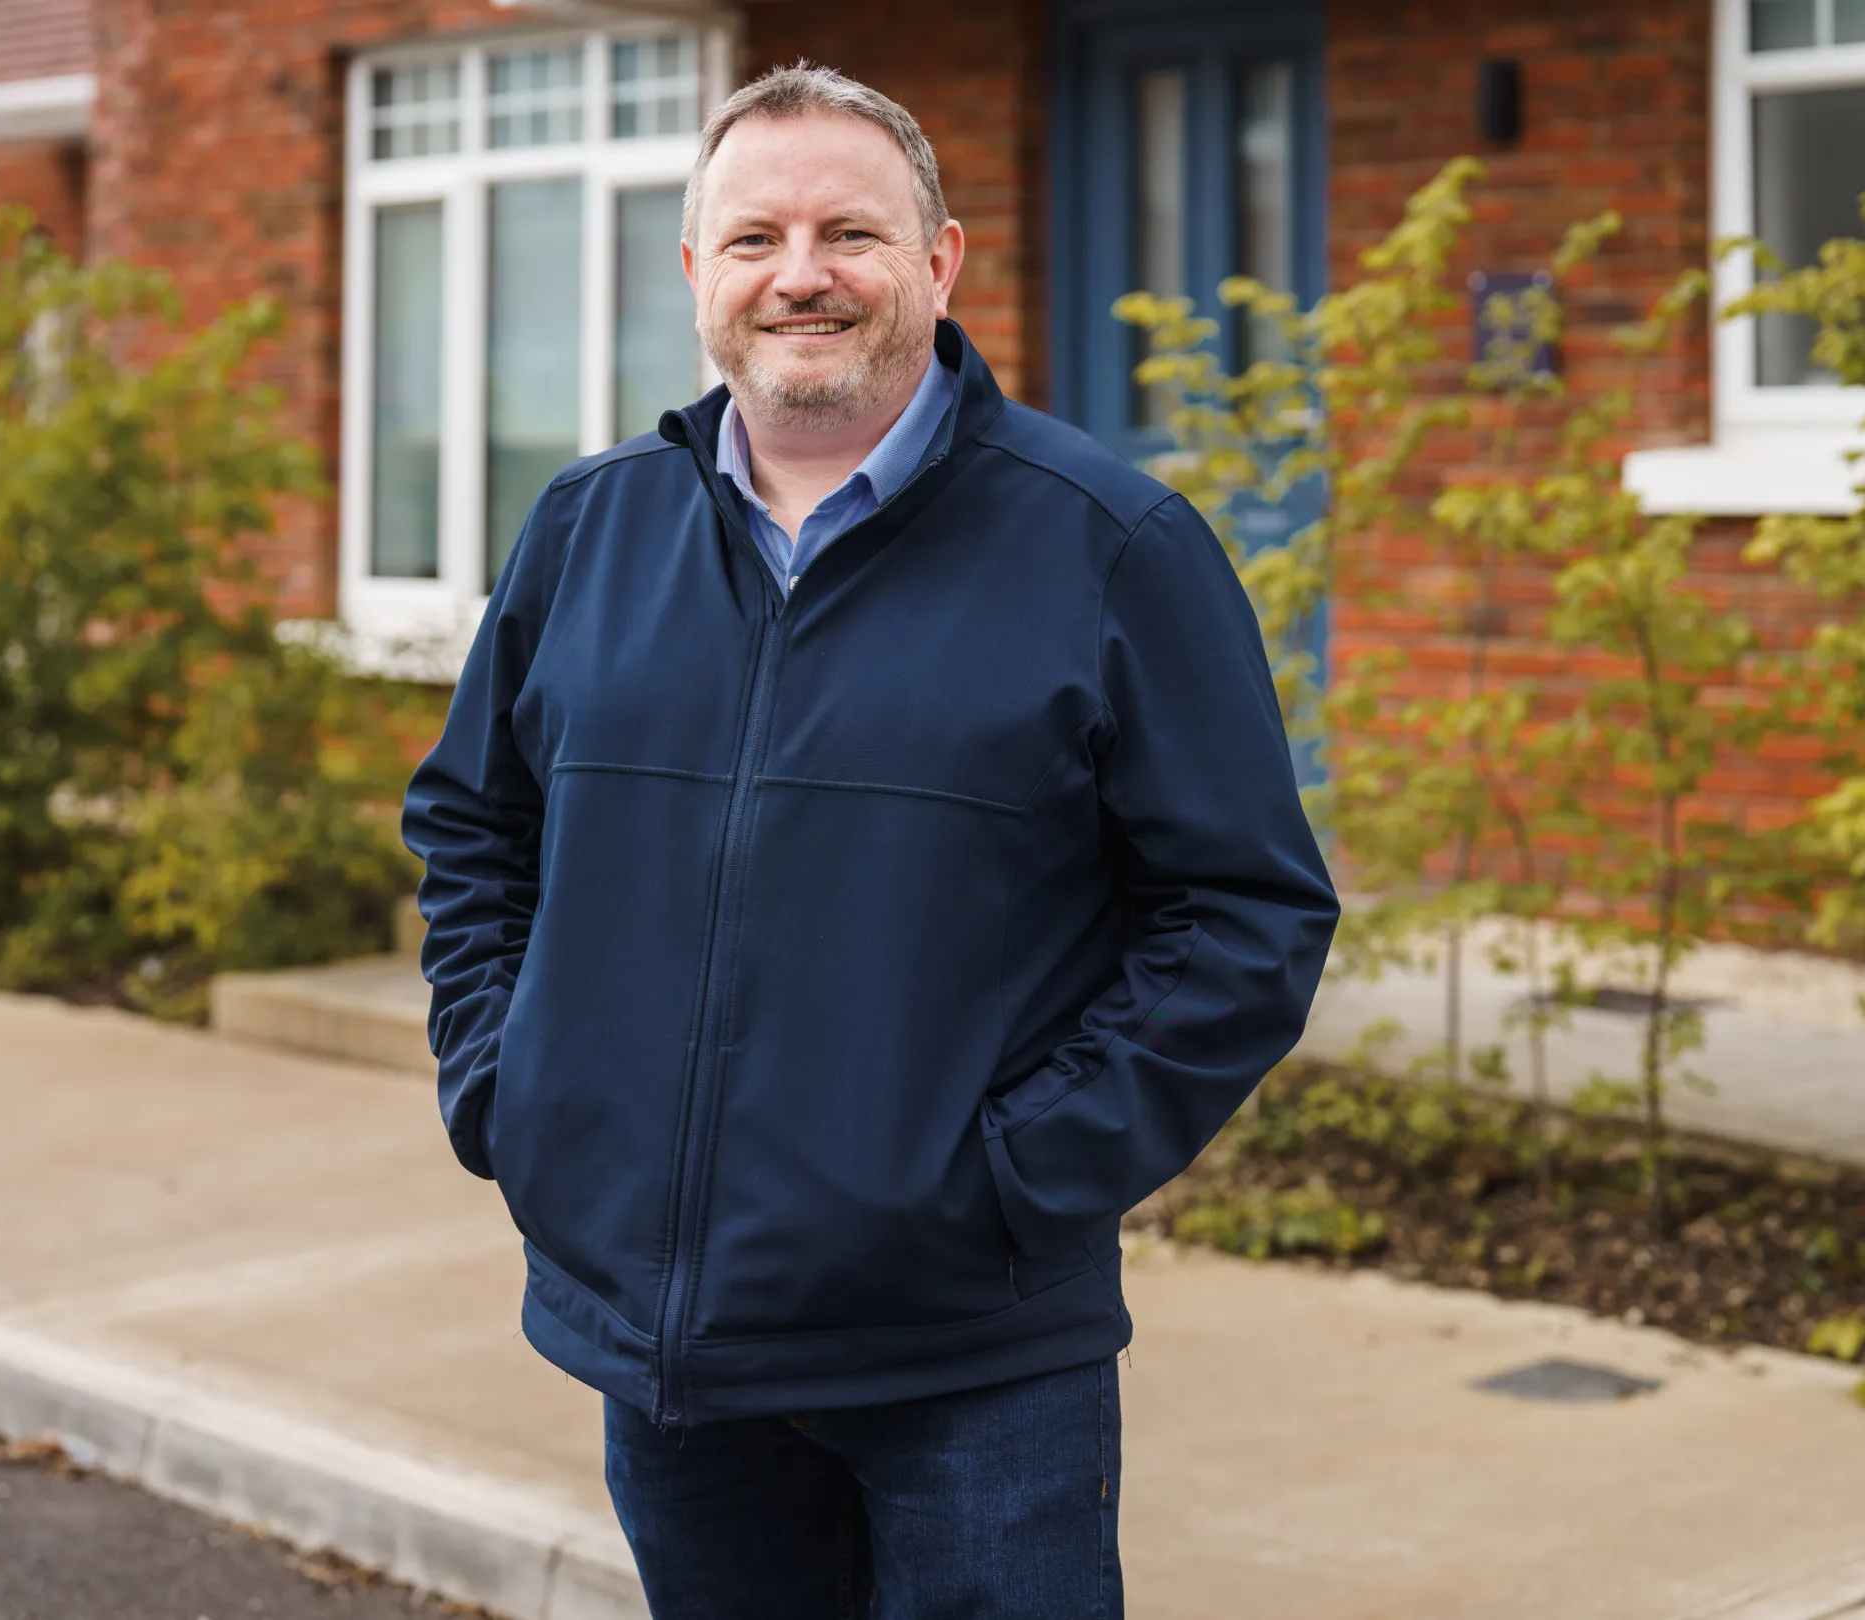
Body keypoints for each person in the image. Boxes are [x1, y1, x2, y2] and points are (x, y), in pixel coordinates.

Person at [401, 61, 1338, 1620]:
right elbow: (475, 831)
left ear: (937, 263)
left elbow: (1241, 919)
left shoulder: (1111, 549)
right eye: (755, 238)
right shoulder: (587, 527)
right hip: (663, 1347)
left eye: (850, 232)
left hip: (968, 1354)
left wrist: (1010, 1181)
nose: (803, 275)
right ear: (697, 274)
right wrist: (514, 1096)